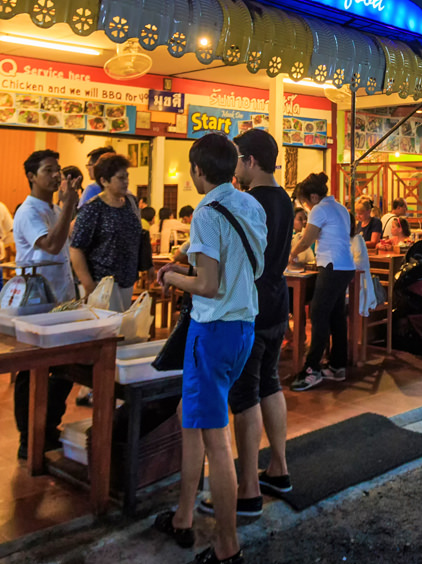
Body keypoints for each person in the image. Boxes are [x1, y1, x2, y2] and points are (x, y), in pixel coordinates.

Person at [152, 134, 261, 564]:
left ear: (197, 171)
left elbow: (208, 285)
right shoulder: (249, 204)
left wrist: (172, 277)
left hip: (211, 332)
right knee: (191, 418)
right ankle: (182, 515)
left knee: (217, 439)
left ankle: (227, 547)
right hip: (242, 328)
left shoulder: (206, 212)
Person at [208, 128, 294, 520]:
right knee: (270, 384)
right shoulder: (286, 200)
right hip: (277, 303)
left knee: (244, 396)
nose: (234, 169)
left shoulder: (248, 203)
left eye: (238, 159)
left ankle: (247, 490)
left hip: (249, 308)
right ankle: (279, 468)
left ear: (250, 161)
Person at [12, 150, 82, 460]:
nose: (56, 176)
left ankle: (47, 427)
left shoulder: (53, 208)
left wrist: (67, 207)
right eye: (49, 170)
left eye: (58, 170)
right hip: (36, 302)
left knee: (63, 368)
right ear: (31, 176)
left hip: (59, 300)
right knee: (34, 371)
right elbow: (52, 245)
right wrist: (69, 206)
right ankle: (29, 437)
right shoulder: (29, 211)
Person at [288, 173, 354, 393]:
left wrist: (290, 255)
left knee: (317, 314)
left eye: (305, 202)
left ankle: (312, 369)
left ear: (313, 197)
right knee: (335, 315)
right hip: (345, 266)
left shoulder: (320, 209)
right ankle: (337, 365)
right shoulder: (341, 208)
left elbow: (306, 239)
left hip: (332, 265)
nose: (305, 207)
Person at [68, 153, 148, 310]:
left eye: (127, 176)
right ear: (104, 181)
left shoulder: (130, 203)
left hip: (127, 279)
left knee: (122, 328)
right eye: (120, 178)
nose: (126, 182)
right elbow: (76, 249)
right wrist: (89, 286)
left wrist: (147, 265)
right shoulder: (92, 209)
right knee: (107, 329)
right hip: (101, 282)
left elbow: (138, 235)